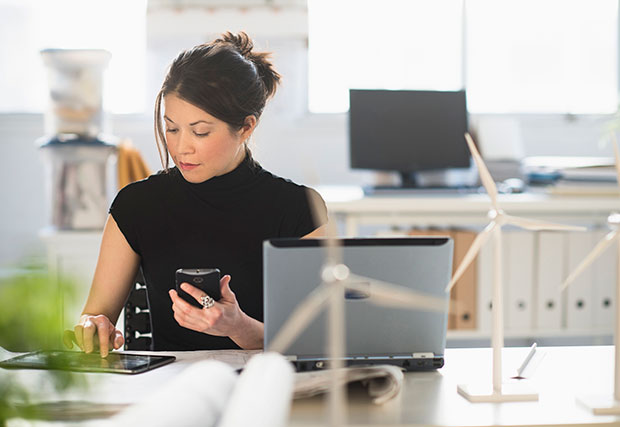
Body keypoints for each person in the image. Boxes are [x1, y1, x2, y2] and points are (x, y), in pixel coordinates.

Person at [64, 32, 328, 356]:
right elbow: (96, 314)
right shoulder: (135, 206)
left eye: (200, 131)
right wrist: (94, 326)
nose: (180, 147)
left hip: (267, 387)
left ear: (246, 127)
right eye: (171, 128)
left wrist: (238, 327)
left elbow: (324, 337)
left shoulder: (300, 210)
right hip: (169, 391)